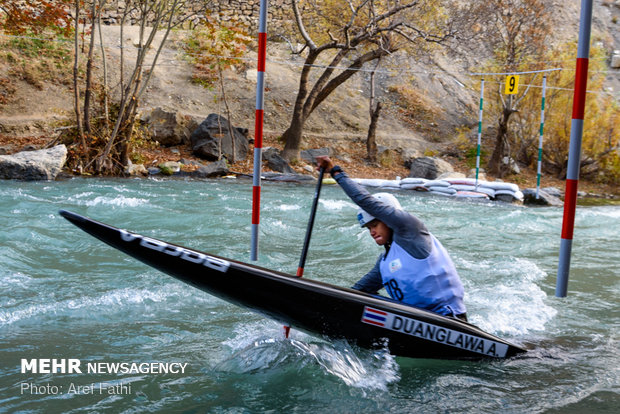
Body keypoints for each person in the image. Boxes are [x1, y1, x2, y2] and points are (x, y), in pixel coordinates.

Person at [316, 156, 467, 321]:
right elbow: (358, 292)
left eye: (375, 225)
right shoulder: (384, 264)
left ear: (389, 219)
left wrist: (336, 173)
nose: (371, 232)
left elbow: (367, 202)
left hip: (449, 320)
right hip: (412, 322)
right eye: (368, 228)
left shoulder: (411, 230)